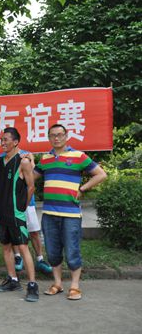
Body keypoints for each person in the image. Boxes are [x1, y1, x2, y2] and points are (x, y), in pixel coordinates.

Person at [34, 124, 107, 301]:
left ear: (66, 136)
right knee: (52, 251)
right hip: (49, 213)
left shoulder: (78, 156)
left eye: (60, 135)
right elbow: (30, 176)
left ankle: (74, 286)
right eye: (52, 135)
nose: (56, 138)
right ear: (49, 138)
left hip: (71, 215)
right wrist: (25, 160)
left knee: (72, 251)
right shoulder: (45, 159)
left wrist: (82, 189)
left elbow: (101, 174)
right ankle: (57, 283)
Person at [0, 128, 39, 302]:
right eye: (2, 140)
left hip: (16, 213)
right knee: (6, 246)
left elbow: (31, 187)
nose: (3, 142)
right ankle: (13, 280)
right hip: (1, 212)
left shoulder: (23, 161)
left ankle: (32, 285)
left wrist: (22, 206)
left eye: (6, 139)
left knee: (23, 247)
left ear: (16, 142)